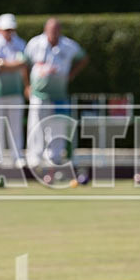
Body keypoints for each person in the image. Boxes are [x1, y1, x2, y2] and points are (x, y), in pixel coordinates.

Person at [24, 18, 89, 169]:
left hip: (60, 95)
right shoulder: (35, 44)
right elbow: (24, 64)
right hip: (39, 94)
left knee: (58, 125)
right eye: (51, 30)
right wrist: (27, 85)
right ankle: (35, 158)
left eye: (56, 30)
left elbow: (84, 58)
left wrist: (72, 74)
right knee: (36, 125)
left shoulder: (69, 45)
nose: (54, 33)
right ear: (45, 30)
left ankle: (55, 157)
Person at [0, 13, 29, 169]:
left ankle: (17, 156)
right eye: (6, 29)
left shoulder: (21, 43)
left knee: (15, 125)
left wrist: (6, 66)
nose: (9, 32)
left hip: (16, 91)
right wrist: (13, 65)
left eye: (11, 29)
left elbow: (23, 65)